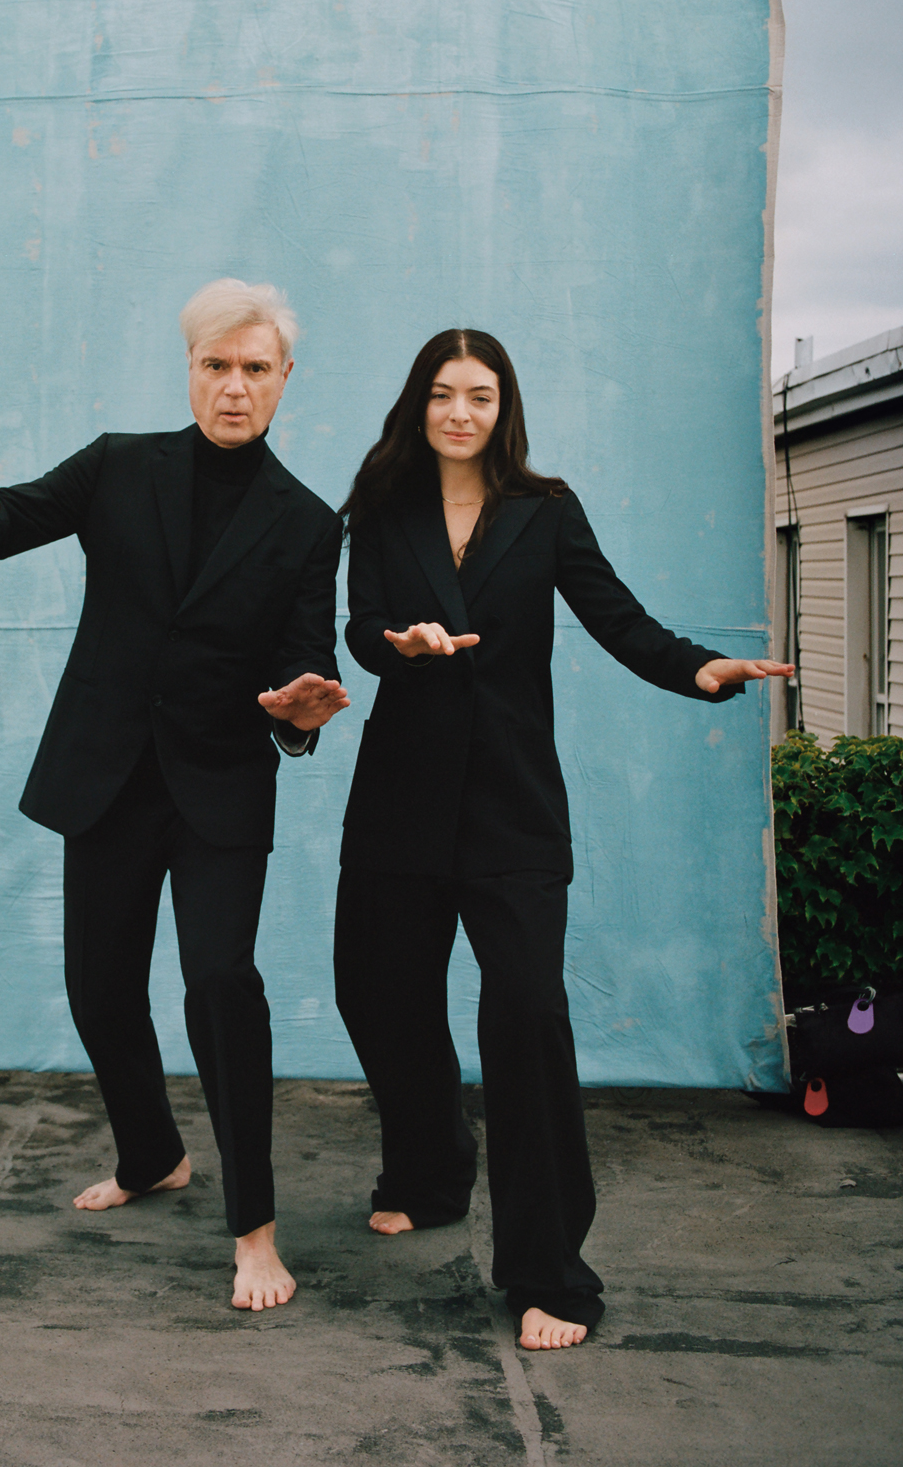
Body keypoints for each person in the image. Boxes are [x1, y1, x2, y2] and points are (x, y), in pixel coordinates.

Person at [333, 328, 791, 1351]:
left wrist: (700, 669)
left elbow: (617, 618)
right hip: (401, 798)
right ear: (418, 404)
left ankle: (550, 1273)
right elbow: (360, 628)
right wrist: (398, 645)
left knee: (527, 1016)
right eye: (443, 393)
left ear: (505, 408)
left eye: (480, 395)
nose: (460, 412)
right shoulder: (383, 506)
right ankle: (429, 1173)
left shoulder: (545, 511)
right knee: (380, 992)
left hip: (512, 806)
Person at [0, 279, 348, 1311]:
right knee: (99, 988)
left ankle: (255, 1230)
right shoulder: (117, 463)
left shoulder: (305, 522)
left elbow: (304, 661)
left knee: (220, 985)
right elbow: (11, 518)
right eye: (216, 366)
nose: (234, 387)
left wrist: (300, 710)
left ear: (285, 379)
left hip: (219, 788)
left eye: (254, 369)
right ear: (190, 371)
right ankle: (152, 1156)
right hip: (107, 775)